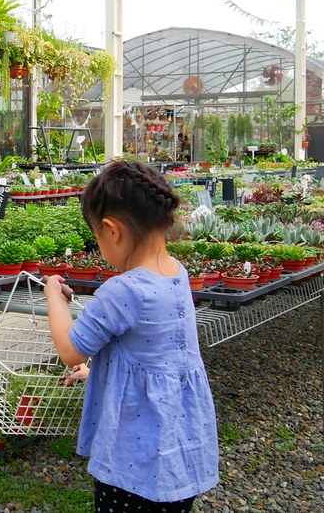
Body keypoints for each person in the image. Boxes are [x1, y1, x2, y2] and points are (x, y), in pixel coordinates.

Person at [43, 160, 218, 512]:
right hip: (181, 443)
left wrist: (52, 294)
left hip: (134, 457)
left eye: (96, 236)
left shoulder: (124, 290)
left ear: (112, 230)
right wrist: (102, 374)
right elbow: (156, 354)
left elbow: (70, 349)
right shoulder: (177, 273)